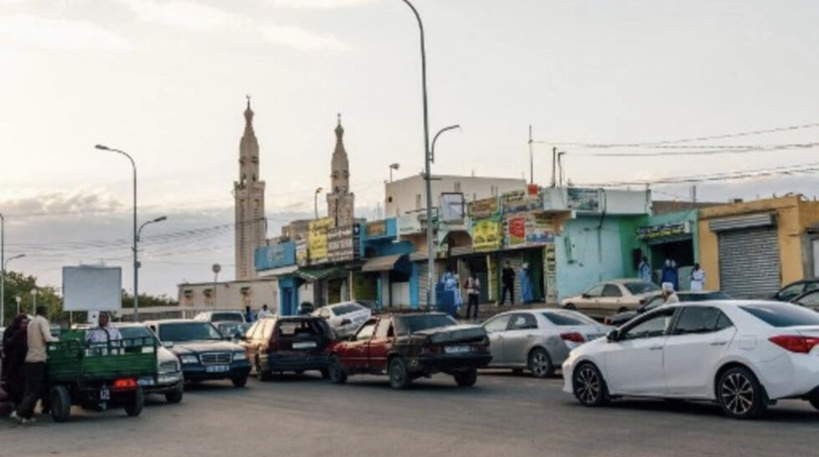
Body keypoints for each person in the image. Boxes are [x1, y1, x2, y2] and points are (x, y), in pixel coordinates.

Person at [12, 306, 58, 424]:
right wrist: (57, 339)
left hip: (29, 358)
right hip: (39, 358)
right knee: (37, 390)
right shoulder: (43, 321)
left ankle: (26, 416)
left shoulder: (31, 323)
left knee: (29, 389)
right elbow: (47, 338)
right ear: (45, 312)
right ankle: (20, 412)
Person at [2, 314, 29, 407]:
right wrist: (17, 335)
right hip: (12, 364)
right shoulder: (10, 331)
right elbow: (7, 345)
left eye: (26, 323)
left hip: (23, 363)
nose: (24, 325)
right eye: (22, 323)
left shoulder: (26, 333)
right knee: (13, 386)